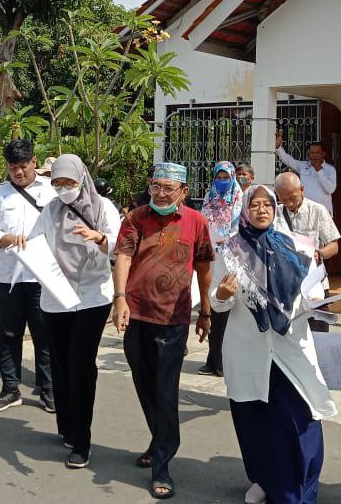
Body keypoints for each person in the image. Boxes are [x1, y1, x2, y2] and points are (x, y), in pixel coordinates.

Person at [212, 184, 336, 504]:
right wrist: (222, 296)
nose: (262, 209)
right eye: (255, 204)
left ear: (276, 208)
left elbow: (318, 290)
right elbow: (216, 301)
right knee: (255, 421)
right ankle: (264, 479)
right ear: (245, 209)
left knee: (301, 420)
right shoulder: (229, 250)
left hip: (291, 348)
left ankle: (301, 490)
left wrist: (315, 300)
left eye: (268, 204)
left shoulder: (301, 247)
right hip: (249, 350)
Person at [10, 153, 121, 469]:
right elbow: (35, 241)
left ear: (82, 179)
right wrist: (23, 247)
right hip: (56, 296)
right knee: (59, 362)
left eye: (69, 183)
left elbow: (119, 245)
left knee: (80, 363)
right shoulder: (52, 209)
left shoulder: (103, 208)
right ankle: (68, 427)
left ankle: (82, 442)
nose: (63, 188)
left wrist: (98, 238)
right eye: (57, 183)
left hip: (91, 296)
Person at [113, 162, 214, 500]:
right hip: (136, 315)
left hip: (174, 318)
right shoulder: (136, 218)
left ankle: (162, 465)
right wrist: (119, 298)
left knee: (166, 391)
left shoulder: (196, 222)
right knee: (144, 385)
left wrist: (206, 312)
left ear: (183, 192)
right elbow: (123, 258)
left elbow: (203, 265)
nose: (160, 193)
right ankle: (159, 442)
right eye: (155, 186)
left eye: (168, 188)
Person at [0, 139, 56, 413]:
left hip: (42, 276)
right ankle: (10, 388)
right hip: (6, 275)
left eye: (23, 166)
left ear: (34, 161)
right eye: (12, 168)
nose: (18, 172)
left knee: (44, 334)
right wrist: (4, 238)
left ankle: (48, 389)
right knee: (8, 334)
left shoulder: (51, 191)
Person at [274, 171, 340, 332]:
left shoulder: (318, 210)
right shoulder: (276, 213)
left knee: (318, 332)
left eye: (293, 197)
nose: (289, 203)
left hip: (314, 283)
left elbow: (334, 245)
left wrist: (320, 253)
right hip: (286, 285)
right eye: (284, 199)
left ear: (302, 189)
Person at [198, 161, 243, 377]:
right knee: (214, 305)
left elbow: (241, 227)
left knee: (230, 307)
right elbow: (203, 225)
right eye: (219, 177)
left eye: (226, 177)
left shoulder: (240, 198)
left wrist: (226, 241)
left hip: (232, 258)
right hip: (211, 258)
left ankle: (226, 360)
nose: (223, 181)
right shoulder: (209, 198)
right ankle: (214, 359)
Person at [275, 133, 337, 214]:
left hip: (323, 210)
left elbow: (330, 189)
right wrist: (278, 147)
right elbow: (288, 160)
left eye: (317, 153)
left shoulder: (330, 169)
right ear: (309, 154)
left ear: (323, 154)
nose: (314, 155)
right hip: (305, 209)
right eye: (312, 153)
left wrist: (319, 170)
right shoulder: (303, 165)